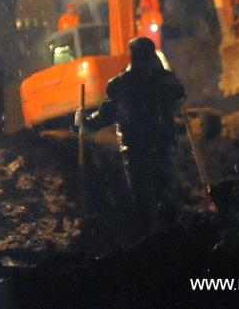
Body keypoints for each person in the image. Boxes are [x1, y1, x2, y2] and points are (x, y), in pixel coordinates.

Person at [76, 37, 185, 234]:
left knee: (142, 196)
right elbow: (179, 100)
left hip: (135, 149)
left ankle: (149, 238)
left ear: (131, 55)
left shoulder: (119, 85)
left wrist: (84, 121)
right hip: (163, 145)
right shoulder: (167, 81)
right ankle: (174, 233)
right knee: (166, 192)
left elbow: (104, 117)